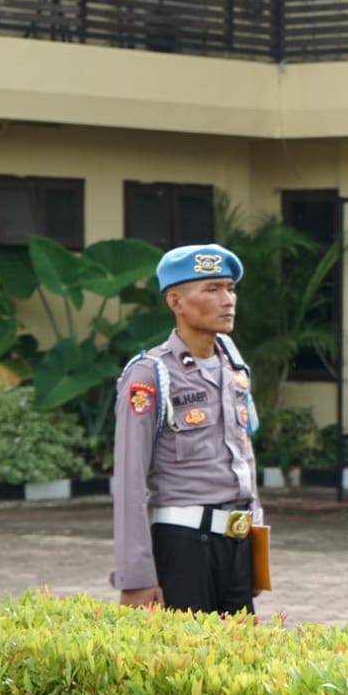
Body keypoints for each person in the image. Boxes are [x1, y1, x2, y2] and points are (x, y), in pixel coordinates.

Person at [112, 243, 263, 615]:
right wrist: (136, 577)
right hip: (183, 547)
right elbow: (130, 481)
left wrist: (257, 554)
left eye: (230, 289)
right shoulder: (151, 374)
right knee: (188, 651)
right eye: (212, 289)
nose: (227, 300)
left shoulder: (234, 368)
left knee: (240, 651)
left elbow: (245, 460)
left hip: (238, 544)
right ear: (175, 302)